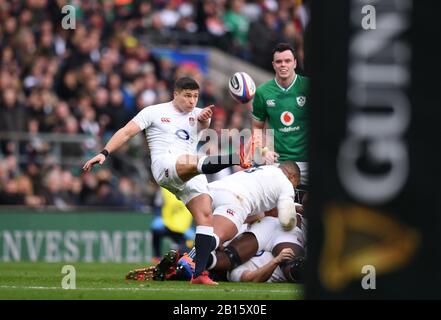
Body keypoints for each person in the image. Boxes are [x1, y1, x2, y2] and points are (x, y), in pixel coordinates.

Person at [83, 77, 251, 285]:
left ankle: (199, 275)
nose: (192, 101)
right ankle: (235, 158)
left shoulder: (198, 114)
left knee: (206, 216)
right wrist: (104, 153)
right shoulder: (154, 112)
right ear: (176, 94)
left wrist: (205, 120)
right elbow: (126, 132)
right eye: (187, 96)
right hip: (165, 165)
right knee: (191, 161)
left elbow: (203, 127)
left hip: (190, 171)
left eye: (195, 97)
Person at [251, 42, 310, 186]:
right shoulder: (263, 92)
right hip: (280, 163)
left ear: (295, 63)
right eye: (279, 61)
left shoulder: (308, 86)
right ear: (273, 65)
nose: (283, 65)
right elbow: (257, 128)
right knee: (276, 207)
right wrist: (264, 151)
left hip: (309, 162)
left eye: (287, 61)